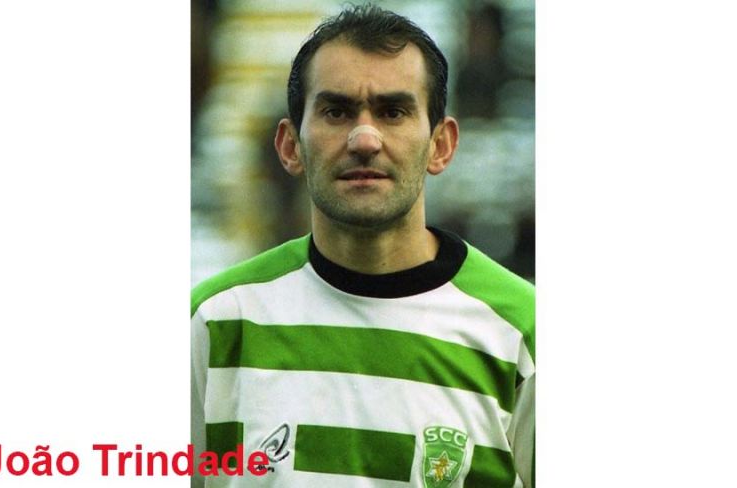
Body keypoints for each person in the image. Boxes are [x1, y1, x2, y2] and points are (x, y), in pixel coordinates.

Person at [191, 4, 535, 487]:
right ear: (290, 146)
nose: (365, 138)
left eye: (394, 111)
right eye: (336, 111)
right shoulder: (214, 320)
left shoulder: (524, 330)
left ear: (441, 145)